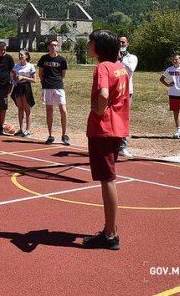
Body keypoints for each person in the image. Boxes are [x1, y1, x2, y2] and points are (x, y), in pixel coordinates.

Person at [82, 30, 130, 250]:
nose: (88, 44)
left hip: (103, 128)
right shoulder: (121, 68)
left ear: (99, 46)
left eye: (91, 41)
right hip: (118, 127)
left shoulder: (102, 67)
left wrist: (100, 111)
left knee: (107, 179)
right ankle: (112, 229)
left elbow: (102, 94)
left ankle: (110, 235)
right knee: (109, 177)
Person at [37, 40, 70, 145]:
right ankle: (50, 135)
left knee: (63, 110)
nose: (53, 47)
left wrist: (57, 81)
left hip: (58, 86)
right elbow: (40, 73)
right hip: (47, 86)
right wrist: (44, 83)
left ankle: (64, 135)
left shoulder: (62, 60)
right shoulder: (43, 58)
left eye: (55, 45)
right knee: (49, 110)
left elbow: (63, 74)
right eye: (52, 45)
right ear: (48, 47)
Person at [118, 33, 138, 157]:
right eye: (119, 42)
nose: (121, 44)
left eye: (123, 42)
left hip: (126, 91)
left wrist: (121, 60)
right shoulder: (112, 57)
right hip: (114, 91)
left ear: (127, 44)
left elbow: (130, 70)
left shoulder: (132, 57)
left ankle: (123, 145)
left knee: (124, 117)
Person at [10, 49, 37, 138]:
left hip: (26, 87)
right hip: (18, 87)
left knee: (27, 108)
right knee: (20, 108)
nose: (20, 56)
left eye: (22, 55)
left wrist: (24, 77)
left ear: (26, 56)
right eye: (19, 55)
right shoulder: (16, 66)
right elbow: (13, 77)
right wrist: (15, 78)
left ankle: (28, 129)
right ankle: (21, 129)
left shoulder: (30, 66)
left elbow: (34, 80)